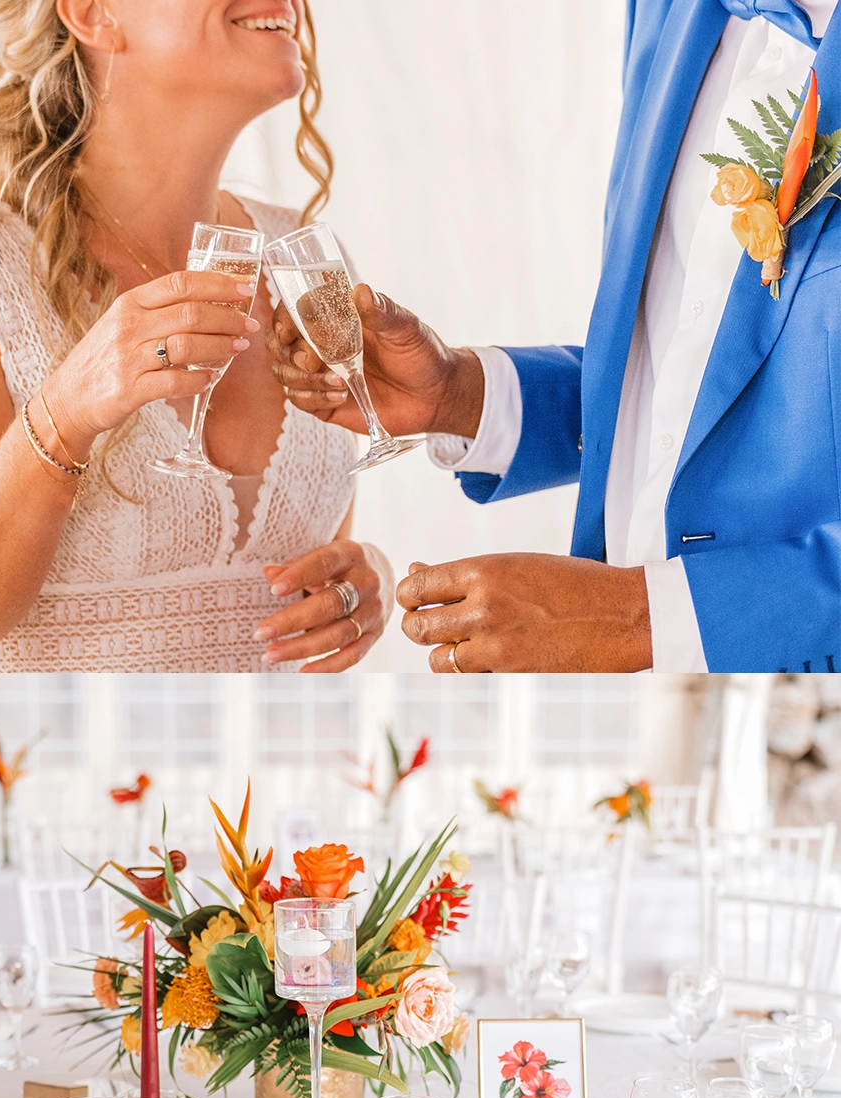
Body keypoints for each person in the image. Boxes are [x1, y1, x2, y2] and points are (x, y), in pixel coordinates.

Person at [270, 0, 841, 674]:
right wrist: (463, 396)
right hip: (631, 713)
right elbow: (682, 371)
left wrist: (638, 618)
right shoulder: (665, 14)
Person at [0, 0, 392, 672]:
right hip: (58, 746)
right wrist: (66, 413)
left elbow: (312, 558)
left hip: (286, 745)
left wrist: (364, 578)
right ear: (91, 12)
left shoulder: (301, 257)